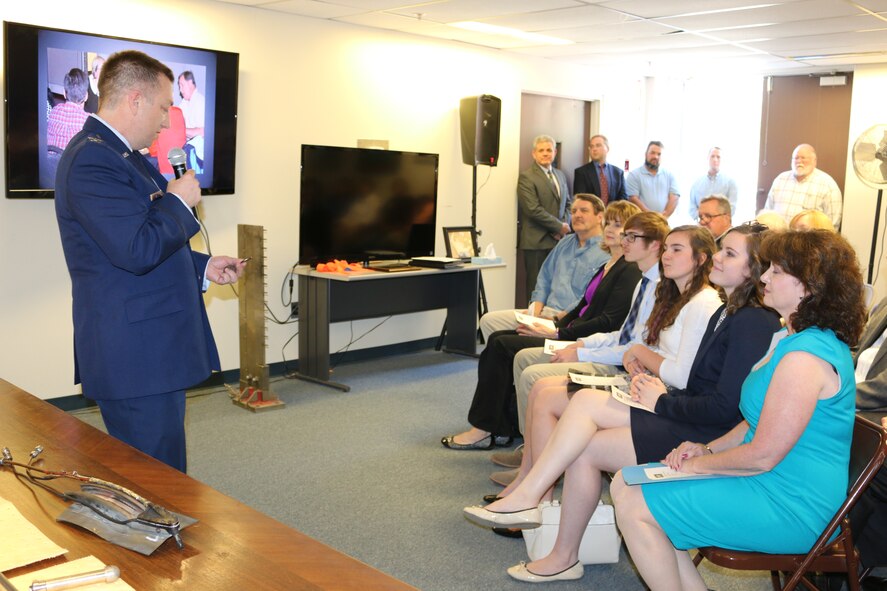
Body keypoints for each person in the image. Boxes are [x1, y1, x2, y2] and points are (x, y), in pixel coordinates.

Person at [463, 225, 781, 583]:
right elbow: (696, 382)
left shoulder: (750, 320)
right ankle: (558, 546)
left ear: (755, 269)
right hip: (683, 410)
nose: (718, 258)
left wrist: (660, 402)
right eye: (721, 250)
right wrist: (657, 392)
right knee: (584, 444)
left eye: (729, 254)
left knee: (582, 404)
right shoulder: (729, 310)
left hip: (699, 429)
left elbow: (724, 408)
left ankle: (533, 497)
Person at [610, 230, 866, 591]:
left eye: (776, 271)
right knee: (627, 480)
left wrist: (697, 466)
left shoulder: (805, 359)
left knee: (637, 504)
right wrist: (707, 449)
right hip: (769, 481)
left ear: (808, 287)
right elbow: (754, 420)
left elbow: (762, 455)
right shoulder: (790, 339)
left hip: (794, 505)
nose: (764, 277)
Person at [54, 50, 246, 472]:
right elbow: (137, 249)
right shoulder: (92, 159)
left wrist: (203, 267)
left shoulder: (126, 157)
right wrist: (178, 201)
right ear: (135, 99)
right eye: (163, 107)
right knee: (153, 482)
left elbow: (146, 238)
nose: (165, 120)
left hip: (149, 350)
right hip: (134, 357)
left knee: (161, 474)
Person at [498, 224, 723, 490]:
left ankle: (534, 489)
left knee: (548, 394)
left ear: (701, 258)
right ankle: (529, 480)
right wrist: (634, 354)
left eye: (676, 249)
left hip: (661, 396)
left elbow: (679, 374)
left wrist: (636, 353)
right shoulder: (677, 295)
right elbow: (644, 344)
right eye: (666, 249)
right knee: (541, 390)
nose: (666, 256)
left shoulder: (702, 303)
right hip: (646, 383)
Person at [441, 201, 642, 449]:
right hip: (566, 328)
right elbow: (580, 306)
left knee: (502, 345)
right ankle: (498, 426)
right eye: (610, 223)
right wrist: (551, 323)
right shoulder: (606, 266)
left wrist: (558, 332)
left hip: (580, 339)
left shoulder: (629, 270)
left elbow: (607, 321)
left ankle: (485, 428)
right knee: (497, 338)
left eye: (619, 226)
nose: (611, 230)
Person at [480, 193, 608, 340]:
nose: (577, 215)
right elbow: (544, 279)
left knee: (505, 340)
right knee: (489, 321)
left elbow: (588, 299)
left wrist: (557, 318)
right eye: (573, 211)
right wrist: (535, 310)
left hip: (567, 320)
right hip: (543, 312)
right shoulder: (564, 244)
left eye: (584, 211)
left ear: (600, 217)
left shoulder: (606, 252)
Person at [517, 135, 572, 298]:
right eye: (541, 150)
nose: (545, 153)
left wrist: (564, 227)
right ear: (534, 154)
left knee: (556, 289)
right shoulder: (526, 177)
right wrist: (558, 227)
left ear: (555, 152)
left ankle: (547, 323)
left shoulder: (560, 175)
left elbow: (568, 204)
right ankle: (531, 323)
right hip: (536, 243)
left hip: (558, 242)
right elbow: (532, 209)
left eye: (549, 150)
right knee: (536, 289)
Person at [765, 143, 842, 228]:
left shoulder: (828, 185)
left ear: (814, 161)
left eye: (803, 158)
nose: (799, 161)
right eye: (796, 158)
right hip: (778, 239)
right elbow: (768, 212)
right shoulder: (780, 180)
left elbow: (833, 225)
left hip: (809, 241)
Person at [626, 141, 679, 218]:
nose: (656, 157)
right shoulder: (634, 175)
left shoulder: (669, 175)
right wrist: (652, 217)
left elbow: (674, 198)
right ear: (645, 154)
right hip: (641, 221)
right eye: (652, 153)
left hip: (663, 221)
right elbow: (633, 199)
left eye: (659, 154)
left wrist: (664, 216)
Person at [573, 134, 627, 205]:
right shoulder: (581, 172)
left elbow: (623, 198)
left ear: (607, 149)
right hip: (591, 214)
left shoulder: (618, 172)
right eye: (591, 146)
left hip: (612, 214)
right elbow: (580, 199)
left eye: (598, 145)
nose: (594, 149)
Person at [688, 147, 738, 219]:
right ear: (708, 158)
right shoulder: (697, 183)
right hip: (701, 226)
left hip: (721, 226)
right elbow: (692, 208)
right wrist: (703, 219)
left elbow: (732, 208)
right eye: (712, 156)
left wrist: (716, 220)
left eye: (718, 157)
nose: (715, 159)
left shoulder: (730, 182)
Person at [47, 68, 90, 150]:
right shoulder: (88, 122)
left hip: (50, 161)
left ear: (64, 93)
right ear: (86, 96)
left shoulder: (54, 112)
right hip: (71, 162)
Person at [178, 70, 205, 170]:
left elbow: (204, 131)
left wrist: (180, 131)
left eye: (182, 85)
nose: (180, 90)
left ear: (190, 83)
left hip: (197, 152)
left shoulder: (200, 101)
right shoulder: (185, 102)